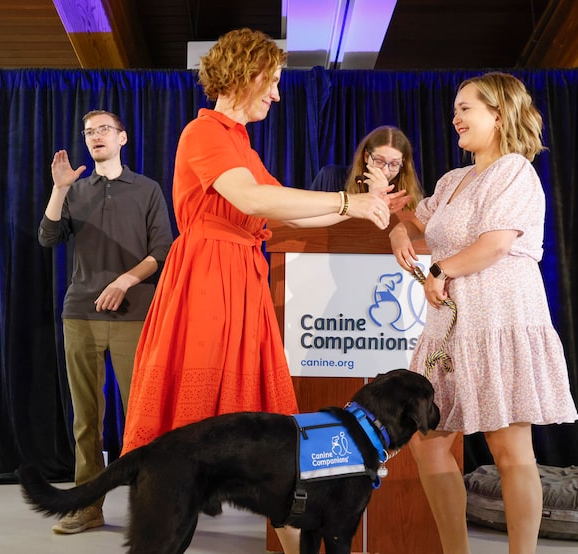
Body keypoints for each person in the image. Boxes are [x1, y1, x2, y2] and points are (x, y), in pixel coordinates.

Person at [119, 28, 390, 553]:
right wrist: (344, 202)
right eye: (273, 81)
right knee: (197, 428)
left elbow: (280, 216)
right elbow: (252, 197)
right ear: (246, 73)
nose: (277, 94)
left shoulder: (238, 141)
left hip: (239, 278)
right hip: (207, 280)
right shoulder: (205, 133)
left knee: (269, 434)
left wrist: (358, 205)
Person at [388, 72, 578, 554]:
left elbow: (494, 245)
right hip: (452, 326)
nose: (455, 117)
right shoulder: (454, 180)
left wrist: (438, 270)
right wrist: (398, 231)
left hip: (499, 317)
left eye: (466, 107)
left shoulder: (515, 170)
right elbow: (417, 222)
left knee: (509, 446)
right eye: (455, 108)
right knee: (427, 440)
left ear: (498, 113)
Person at [38, 110, 173, 534]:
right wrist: (59, 190)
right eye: (88, 132)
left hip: (135, 317)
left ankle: (151, 507)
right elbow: (48, 236)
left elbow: (164, 250)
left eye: (103, 130)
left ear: (122, 138)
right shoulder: (75, 191)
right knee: (86, 420)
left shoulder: (148, 189)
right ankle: (89, 506)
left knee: (142, 418)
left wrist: (126, 280)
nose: (95, 137)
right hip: (81, 314)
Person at [310, 125, 423, 212]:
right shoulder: (329, 177)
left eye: (394, 164)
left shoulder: (407, 194)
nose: (385, 172)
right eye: (379, 161)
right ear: (366, 156)